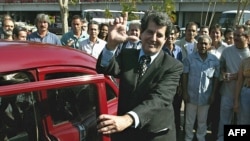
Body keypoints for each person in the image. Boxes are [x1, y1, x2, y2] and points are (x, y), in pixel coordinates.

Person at [96, 11, 183, 141]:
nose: (153, 38)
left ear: (165, 39)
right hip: (126, 134)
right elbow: (104, 68)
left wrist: (127, 119)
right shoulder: (127, 55)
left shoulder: (173, 65)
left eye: (159, 35)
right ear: (142, 32)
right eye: (150, 32)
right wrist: (111, 44)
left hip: (156, 135)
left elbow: (159, 99)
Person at [182, 34, 220, 141]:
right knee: (189, 120)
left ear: (209, 46)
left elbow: (216, 78)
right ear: (197, 45)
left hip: (206, 96)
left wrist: (213, 94)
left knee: (202, 120)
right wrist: (185, 92)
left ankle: (201, 137)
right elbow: (184, 75)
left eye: (205, 43)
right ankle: (188, 138)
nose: (203, 45)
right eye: (201, 43)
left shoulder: (214, 60)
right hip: (191, 95)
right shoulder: (189, 59)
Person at [217, 25, 250, 141]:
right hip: (227, 91)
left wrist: (237, 76)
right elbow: (221, 67)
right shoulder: (227, 51)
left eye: (238, 35)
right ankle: (222, 137)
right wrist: (224, 74)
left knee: (242, 122)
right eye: (234, 35)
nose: (235, 37)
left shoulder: (249, 54)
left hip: (244, 94)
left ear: (247, 37)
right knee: (224, 119)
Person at [162, 25, 183, 140]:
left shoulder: (179, 50)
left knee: (176, 109)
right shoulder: (161, 49)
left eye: (173, 34)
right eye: (169, 34)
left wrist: (180, 85)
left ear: (176, 35)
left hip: (176, 85)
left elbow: (181, 69)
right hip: (164, 85)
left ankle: (177, 131)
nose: (170, 36)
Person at [234, 56, 250, 125]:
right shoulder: (245, 61)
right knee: (243, 119)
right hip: (246, 91)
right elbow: (239, 81)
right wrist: (236, 101)